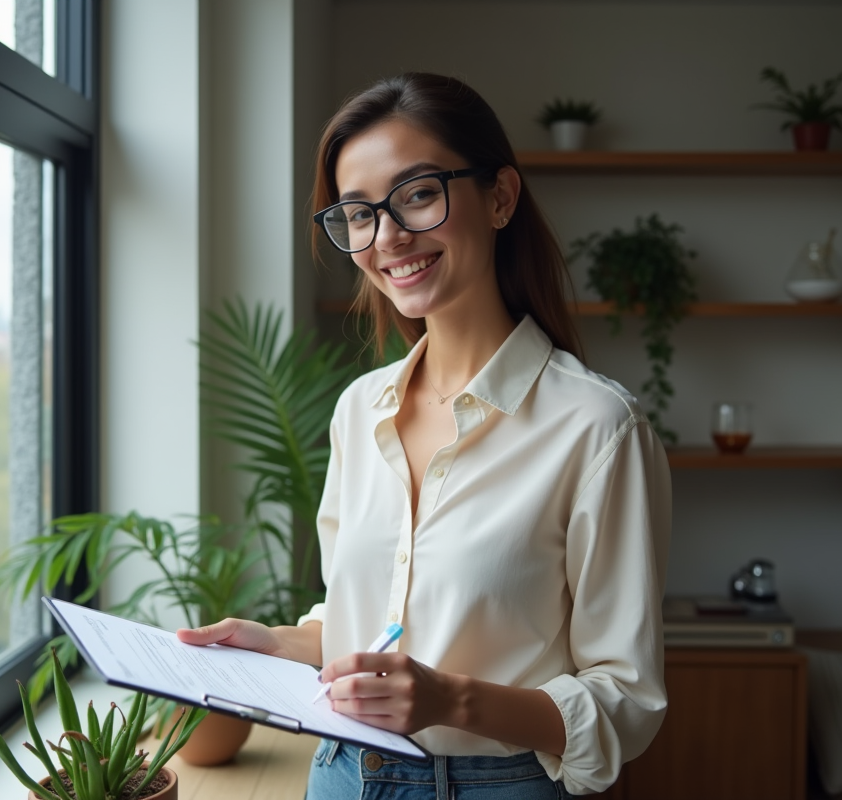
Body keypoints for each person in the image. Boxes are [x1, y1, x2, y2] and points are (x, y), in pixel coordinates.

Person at [177, 72, 671, 799]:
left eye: (417, 194)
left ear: (500, 197)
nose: (389, 237)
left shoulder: (598, 428)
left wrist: (451, 702)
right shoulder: (358, 410)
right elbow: (374, 628)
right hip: (339, 775)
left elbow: (626, 701)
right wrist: (277, 643)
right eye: (358, 213)